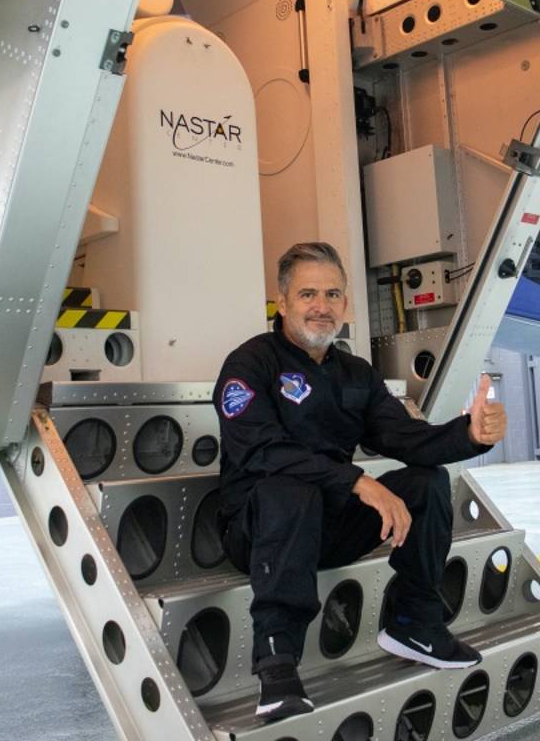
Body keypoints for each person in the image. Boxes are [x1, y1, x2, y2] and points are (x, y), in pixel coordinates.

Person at [212, 242, 508, 720]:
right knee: (290, 488)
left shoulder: (356, 374)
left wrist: (469, 435)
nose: (321, 306)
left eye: (332, 294)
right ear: (282, 302)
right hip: (259, 530)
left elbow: (408, 440)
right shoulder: (251, 364)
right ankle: (277, 661)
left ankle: (414, 620)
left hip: (327, 525)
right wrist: (358, 482)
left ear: (346, 305)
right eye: (308, 294)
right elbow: (263, 452)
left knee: (425, 481)